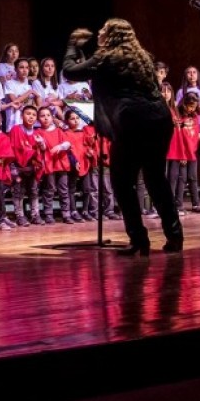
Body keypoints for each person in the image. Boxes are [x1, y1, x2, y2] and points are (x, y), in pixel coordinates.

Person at [62, 19, 182, 256]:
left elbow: (70, 71)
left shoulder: (107, 58)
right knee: (157, 179)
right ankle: (175, 237)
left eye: (104, 31)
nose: (99, 33)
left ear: (112, 36)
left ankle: (139, 240)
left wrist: (73, 46)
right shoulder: (144, 58)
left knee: (122, 182)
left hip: (133, 122)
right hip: (159, 119)